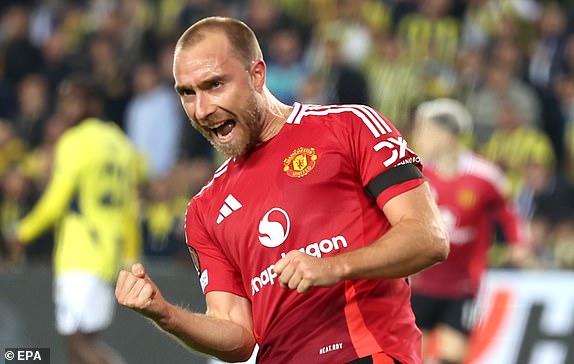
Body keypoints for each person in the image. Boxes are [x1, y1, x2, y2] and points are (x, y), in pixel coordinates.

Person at [115, 16, 449, 364]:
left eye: (214, 85)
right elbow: (237, 334)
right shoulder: (204, 209)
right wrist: (167, 315)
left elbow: (428, 238)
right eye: (187, 93)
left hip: (364, 354)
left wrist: (334, 266)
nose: (202, 110)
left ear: (257, 74)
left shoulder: (350, 127)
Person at [7, 75, 143, 364]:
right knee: (85, 343)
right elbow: (130, 208)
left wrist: (22, 231)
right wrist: (131, 255)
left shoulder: (75, 140)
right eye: (65, 102)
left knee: (76, 342)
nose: (67, 109)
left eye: (75, 101)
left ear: (94, 104)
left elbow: (56, 201)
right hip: (110, 256)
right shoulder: (121, 144)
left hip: (80, 255)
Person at [409, 98, 527, 364]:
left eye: (424, 129)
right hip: (417, 283)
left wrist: (518, 244)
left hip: (463, 286)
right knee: (415, 354)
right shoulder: (415, 172)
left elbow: (509, 213)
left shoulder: (484, 176)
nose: (417, 136)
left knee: (452, 356)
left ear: (447, 135)